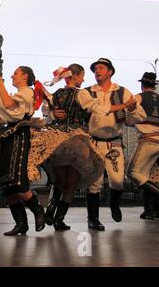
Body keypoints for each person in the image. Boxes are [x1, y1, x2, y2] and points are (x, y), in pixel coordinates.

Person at [68, 58, 146, 230]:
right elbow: (91, 108)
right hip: (93, 143)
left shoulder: (122, 92)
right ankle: (93, 219)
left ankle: (114, 203)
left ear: (110, 71)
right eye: (95, 69)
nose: (97, 71)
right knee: (93, 182)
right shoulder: (87, 92)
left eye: (101, 68)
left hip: (114, 143)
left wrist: (131, 108)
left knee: (118, 181)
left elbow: (136, 118)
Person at [41, 64, 105, 231]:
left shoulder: (55, 95)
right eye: (82, 76)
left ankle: (51, 211)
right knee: (72, 182)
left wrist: (54, 115)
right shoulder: (81, 93)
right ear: (75, 76)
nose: (84, 80)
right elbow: (95, 107)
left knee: (60, 181)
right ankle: (58, 219)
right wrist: (113, 106)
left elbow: (47, 117)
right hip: (77, 139)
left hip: (58, 139)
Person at [0, 66, 46, 235]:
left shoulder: (27, 92)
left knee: (17, 180)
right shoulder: (19, 93)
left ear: (25, 76)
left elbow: (8, 104)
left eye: (16, 73)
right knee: (6, 183)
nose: (12, 76)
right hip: (9, 135)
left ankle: (38, 210)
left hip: (20, 134)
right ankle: (21, 223)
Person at [127, 72, 159, 217]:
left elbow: (129, 120)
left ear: (142, 84)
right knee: (149, 176)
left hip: (148, 139)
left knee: (133, 173)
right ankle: (151, 210)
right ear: (154, 85)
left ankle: (154, 204)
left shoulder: (138, 97)